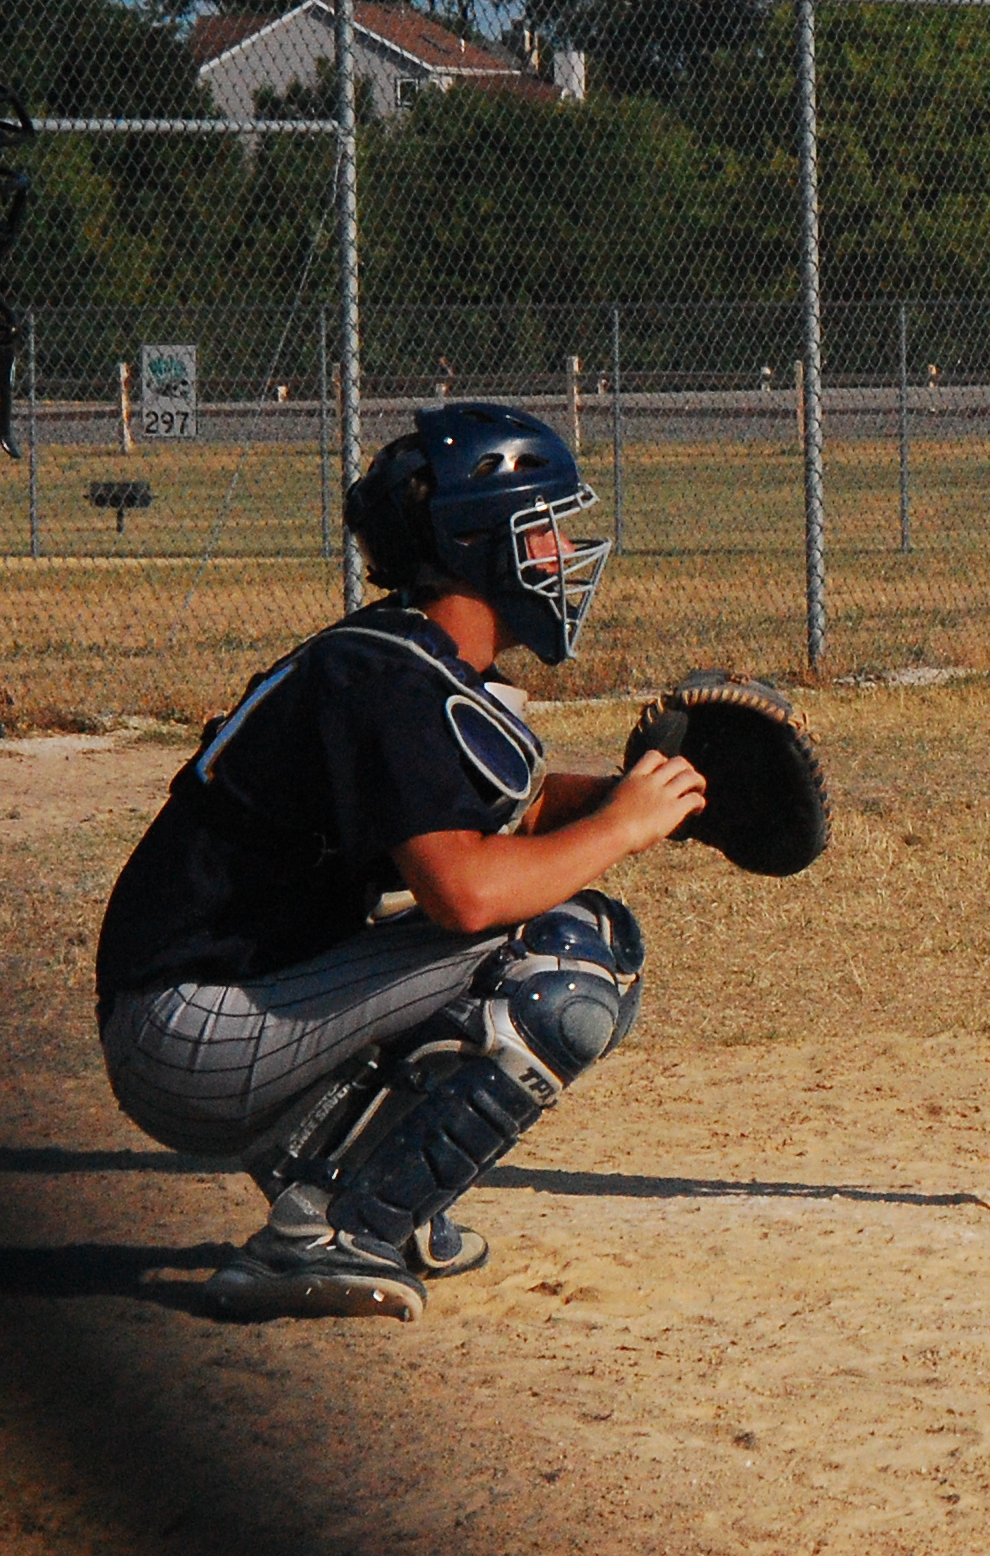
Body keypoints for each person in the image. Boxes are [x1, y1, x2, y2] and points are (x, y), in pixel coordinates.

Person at [94, 403, 705, 1320]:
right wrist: (621, 828)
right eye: (544, 530)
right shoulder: (388, 682)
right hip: (188, 1031)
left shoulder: (406, 660)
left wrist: (662, 796)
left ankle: (359, 1184)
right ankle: (333, 1230)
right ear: (477, 544)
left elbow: (513, 812)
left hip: (226, 1002)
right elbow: (464, 893)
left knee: (571, 934)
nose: (564, 553)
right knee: (568, 957)